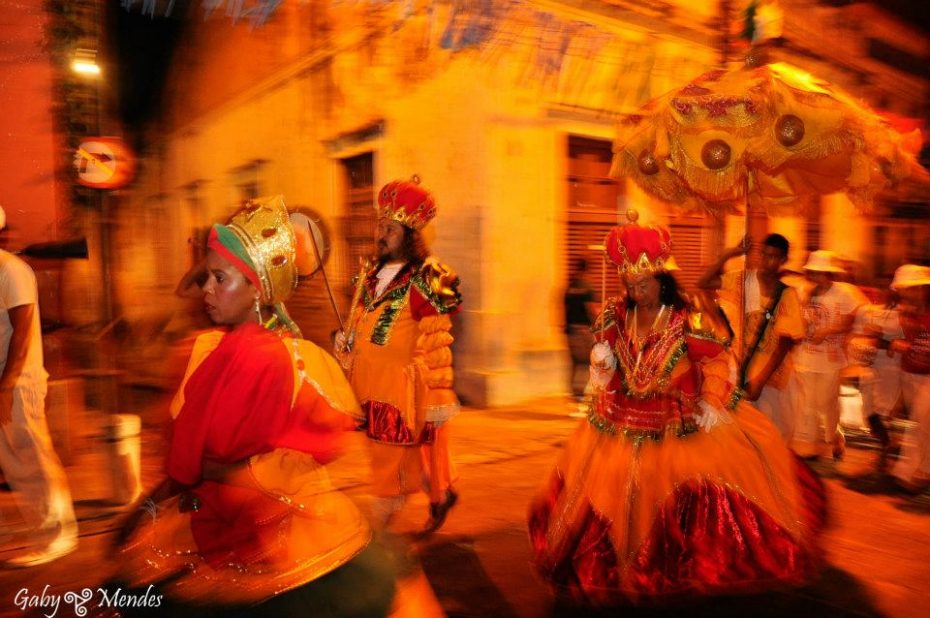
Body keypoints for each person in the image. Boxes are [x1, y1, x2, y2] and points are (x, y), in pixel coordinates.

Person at [113, 196, 441, 616]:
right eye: (206, 278)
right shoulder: (205, 350)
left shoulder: (273, 360)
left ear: (256, 289)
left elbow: (281, 462)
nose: (206, 289)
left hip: (266, 537)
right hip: (212, 522)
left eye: (219, 278)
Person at [527, 214, 825, 606]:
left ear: (662, 280)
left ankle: (675, 568)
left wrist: (713, 401)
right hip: (621, 420)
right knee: (611, 492)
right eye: (631, 285)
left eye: (644, 284)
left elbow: (717, 361)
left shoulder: (687, 319)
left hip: (680, 421)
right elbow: (614, 367)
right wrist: (603, 366)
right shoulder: (617, 316)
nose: (637, 292)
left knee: (676, 498)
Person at [335, 177, 462, 534]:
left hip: (400, 391)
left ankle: (378, 524)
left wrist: (439, 397)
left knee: (391, 457)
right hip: (369, 384)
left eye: (389, 228)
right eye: (380, 225)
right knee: (391, 453)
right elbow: (360, 320)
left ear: (409, 233)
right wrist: (346, 341)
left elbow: (438, 342)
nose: (381, 233)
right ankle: (438, 491)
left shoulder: (427, 276)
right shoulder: (370, 274)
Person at [0, 207, 78, 568]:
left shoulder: (12, 271)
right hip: (5, 383)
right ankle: (45, 530)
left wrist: (6, 386)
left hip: (17, 383)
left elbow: (24, 329)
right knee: (16, 463)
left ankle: (58, 535)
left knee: (32, 459)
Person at [697, 233, 805, 441]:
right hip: (742, 369)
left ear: (783, 260)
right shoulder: (743, 279)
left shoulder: (787, 294)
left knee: (772, 438)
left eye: (773, 257)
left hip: (772, 377)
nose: (766, 261)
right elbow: (704, 282)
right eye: (763, 254)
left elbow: (785, 343)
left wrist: (761, 380)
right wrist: (730, 254)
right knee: (745, 437)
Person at [793, 250, 868, 460]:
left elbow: (851, 318)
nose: (815, 277)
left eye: (819, 273)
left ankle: (836, 435)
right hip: (806, 356)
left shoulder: (844, 292)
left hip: (831, 358)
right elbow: (798, 318)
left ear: (829, 274)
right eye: (813, 273)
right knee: (808, 402)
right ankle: (812, 445)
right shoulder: (803, 291)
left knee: (827, 401)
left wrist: (828, 331)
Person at [888, 264, 930, 493]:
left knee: (921, 420)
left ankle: (909, 472)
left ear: (923, 288)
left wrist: (907, 345)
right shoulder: (905, 312)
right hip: (909, 372)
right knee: (921, 422)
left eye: (912, 289)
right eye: (904, 290)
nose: (906, 294)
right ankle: (920, 470)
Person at [564, 257, 598, 403]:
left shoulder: (569, 287)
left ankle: (574, 392)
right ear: (587, 270)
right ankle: (580, 394)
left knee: (574, 363)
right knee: (585, 362)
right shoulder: (588, 288)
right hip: (583, 330)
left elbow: (564, 309)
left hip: (571, 330)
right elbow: (592, 310)